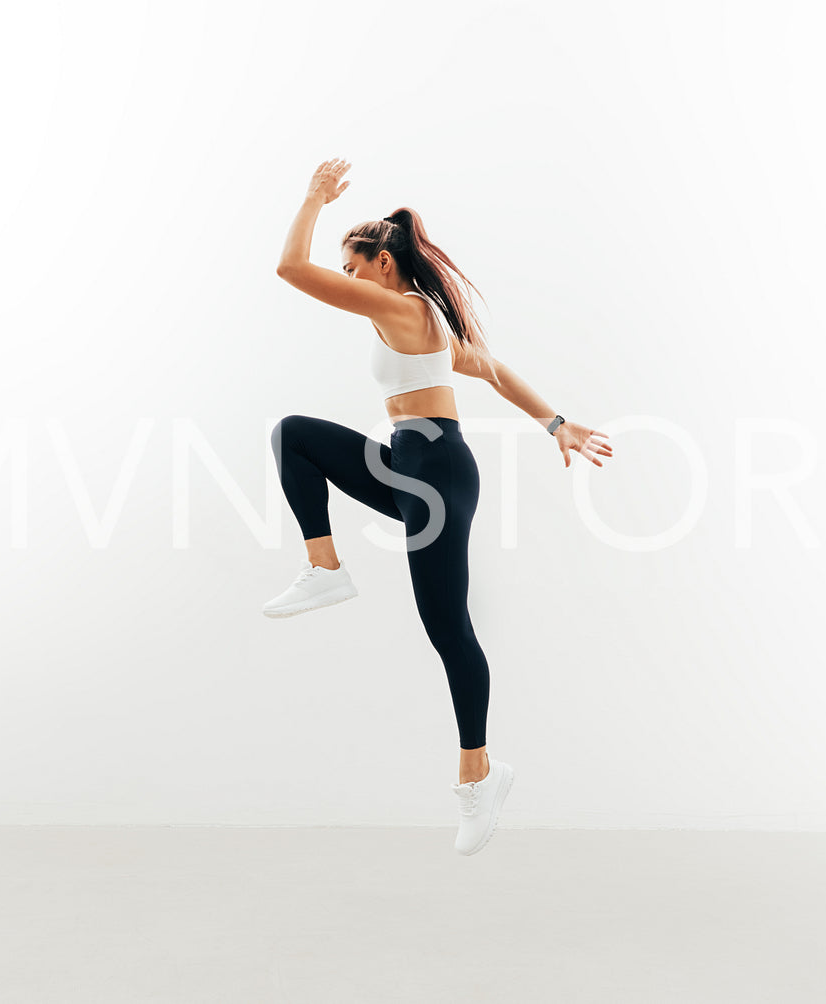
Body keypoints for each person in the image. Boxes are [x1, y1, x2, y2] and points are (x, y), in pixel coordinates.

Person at [267, 158, 613, 855]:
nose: (349, 279)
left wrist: (310, 199)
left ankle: (478, 776)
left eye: (355, 266)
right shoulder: (412, 318)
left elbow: (291, 270)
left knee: (446, 628)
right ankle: (325, 568)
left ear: (386, 265)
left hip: (435, 471)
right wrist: (554, 423)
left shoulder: (399, 306)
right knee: (294, 434)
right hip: (407, 461)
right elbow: (492, 367)